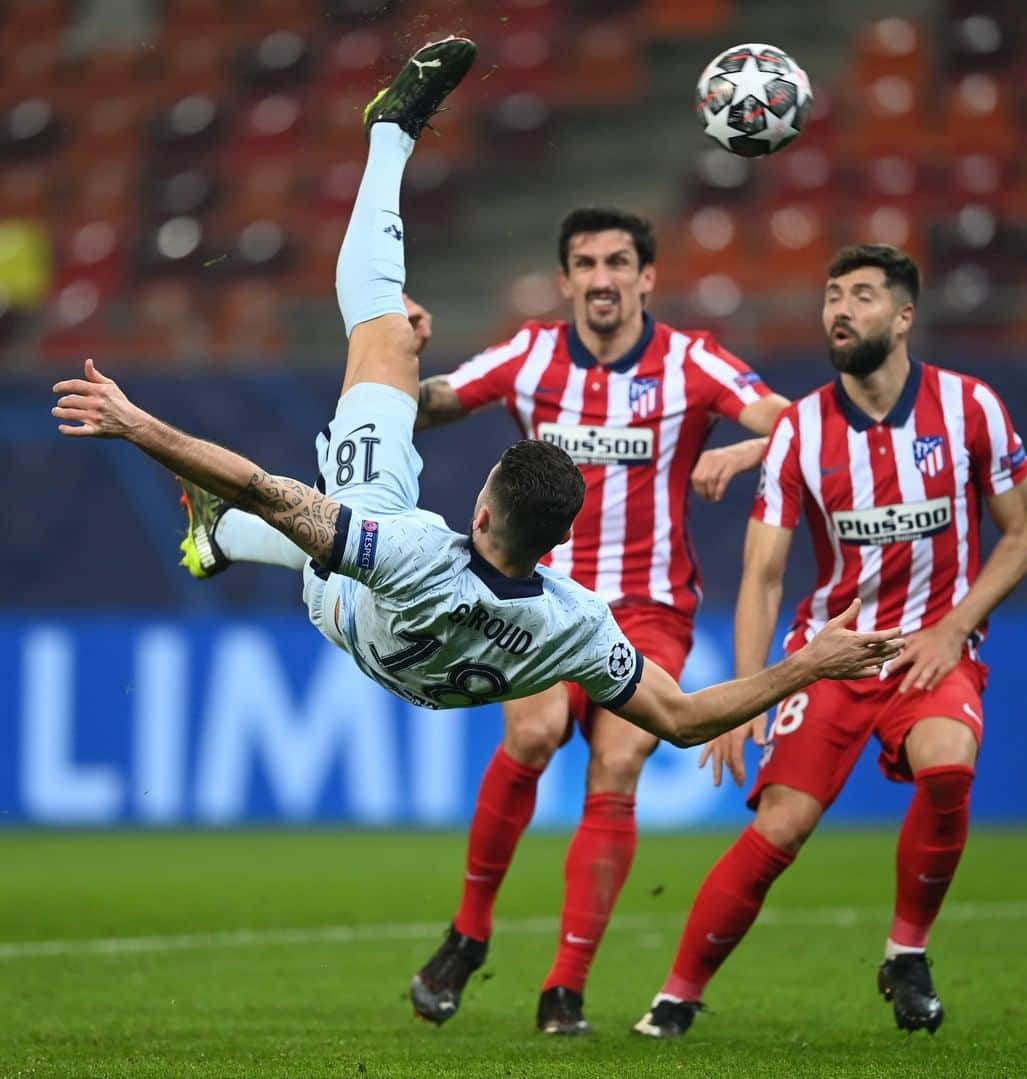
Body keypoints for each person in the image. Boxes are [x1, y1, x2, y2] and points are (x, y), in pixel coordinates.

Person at [52, 31, 898, 878]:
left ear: (481, 509)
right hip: (398, 660)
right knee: (310, 526)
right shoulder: (572, 620)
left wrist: (139, 424)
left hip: (369, 591)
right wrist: (811, 663)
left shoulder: (414, 547)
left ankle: (389, 132)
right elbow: (682, 718)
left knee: (378, 334)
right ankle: (216, 538)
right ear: (558, 547)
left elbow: (271, 489)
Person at [632, 244, 1027, 1040]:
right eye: (831, 295)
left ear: (903, 315)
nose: (840, 310)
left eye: (861, 294)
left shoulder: (971, 409)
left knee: (949, 765)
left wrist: (955, 627)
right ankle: (677, 995)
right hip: (833, 653)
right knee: (780, 826)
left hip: (934, 643)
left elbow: (1026, 532)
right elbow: (761, 575)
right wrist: (752, 689)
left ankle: (907, 952)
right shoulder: (799, 433)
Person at [406, 206, 787, 1035]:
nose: (604, 278)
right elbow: (431, 404)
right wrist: (398, 352)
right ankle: (469, 932)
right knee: (535, 735)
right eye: (586, 263)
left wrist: (747, 449)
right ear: (568, 277)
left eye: (620, 262)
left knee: (618, 763)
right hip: (541, 599)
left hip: (647, 610)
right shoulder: (531, 354)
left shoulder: (694, 362)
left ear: (648, 276)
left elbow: (801, 426)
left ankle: (564, 989)